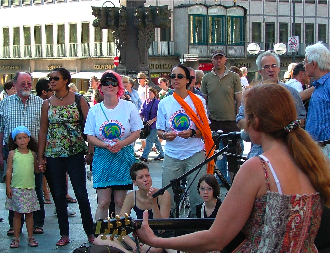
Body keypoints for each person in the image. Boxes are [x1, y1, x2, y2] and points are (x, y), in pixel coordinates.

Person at [137, 83, 330, 252]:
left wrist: (155, 240)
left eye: (245, 116)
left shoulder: (258, 168)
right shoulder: (311, 160)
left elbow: (216, 238)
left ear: (256, 121)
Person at [38, 67, 95, 246]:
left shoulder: (79, 100)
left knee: (80, 193)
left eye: (55, 78)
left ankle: (90, 232)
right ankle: (64, 234)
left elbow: (89, 126)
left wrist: (90, 149)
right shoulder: (47, 103)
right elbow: (43, 130)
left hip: (75, 152)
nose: (51, 81)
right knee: (59, 194)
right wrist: (40, 156)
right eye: (50, 78)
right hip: (54, 153)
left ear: (65, 81)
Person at [157, 64, 214, 217]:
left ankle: (196, 226)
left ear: (188, 80)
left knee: (197, 194)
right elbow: (159, 130)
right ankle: (170, 228)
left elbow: (205, 131)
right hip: (172, 154)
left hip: (194, 153)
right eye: (173, 76)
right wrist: (164, 136)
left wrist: (192, 133)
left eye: (180, 76)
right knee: (167, 195)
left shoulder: (198, 101)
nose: (175, 79)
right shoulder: (164, 103)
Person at [84, 70, 143, 220]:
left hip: (123, 157)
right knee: (103, 202)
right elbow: (89, 135)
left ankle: (120, 236)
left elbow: (137, 131)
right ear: (100, 87)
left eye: (113, 83)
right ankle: (100, 236)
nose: (110, 86)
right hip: (103, 158)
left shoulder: (128, 107)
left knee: (120, 201)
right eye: (106, 83)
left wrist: (121, 144)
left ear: (119, 87)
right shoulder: (95, 110)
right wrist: (105, 145)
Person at [236, 51, 306, 158]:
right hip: (259, 151)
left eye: (273, 66)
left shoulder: (291, 92)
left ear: (278, 69)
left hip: (286, 150)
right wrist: (260, 124)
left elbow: (302, 119)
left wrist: (283, 125)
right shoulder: (251, 94)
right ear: (260, 71)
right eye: (266, 67)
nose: (271, 69)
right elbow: (240, 120)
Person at [0, 72, 45, 236]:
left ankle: (37, 223)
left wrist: (42, 154)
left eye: (28, 82)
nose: (26, 85)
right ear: (15, 85)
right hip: (11, 151)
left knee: (36, 188)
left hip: (34, 151)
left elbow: (44, 130)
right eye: (22, 83)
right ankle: (14, 225)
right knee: (13, 187)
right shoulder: (5, 103)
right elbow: (0, 130)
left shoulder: (41, 103)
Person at [201, 50, 242, 182]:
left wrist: (238, 118)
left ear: (225, 60)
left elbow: (239, 100)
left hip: (230, 121)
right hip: (213, 122)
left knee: (233, 155)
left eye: (221, 58)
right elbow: (204, 101)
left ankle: (233, 183)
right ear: (212, 60)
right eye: (216, 58)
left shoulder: (234, 77)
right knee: (212, 154)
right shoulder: (206, 78)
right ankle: (214, 183)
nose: (218, 61)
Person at [6, 126, 40, 248]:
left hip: (29, 188)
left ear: (29, 139)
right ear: (15, 141)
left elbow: (36, 170)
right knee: (17, 214)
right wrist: (8, 187)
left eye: (25, 137)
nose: (22, 140)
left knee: (30, 214)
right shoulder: (12, 154)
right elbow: (9, 171)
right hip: (16, 189)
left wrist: (41, 166)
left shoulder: (33, 155)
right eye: (19, 138)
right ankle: (16, 238)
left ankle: (31, 237)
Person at [304, 42, 330, 158]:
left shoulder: (328, 85)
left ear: (313, 64)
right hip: (318, 148)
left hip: (326, 148)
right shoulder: (319, 86)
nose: (304, 66)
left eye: (306, 62)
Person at [139, 87, 164, 162]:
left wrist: (153, 120)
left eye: (150, 92)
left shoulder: (157, 102)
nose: (149, 94)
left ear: (154, 94)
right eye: (148, 93)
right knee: (155, 140)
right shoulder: (145, 102)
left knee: (149, 140)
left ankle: (144, 156)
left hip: (154, 125)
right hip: (146, 125)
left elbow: (160, 114)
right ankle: (161, 154)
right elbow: (142, 113)